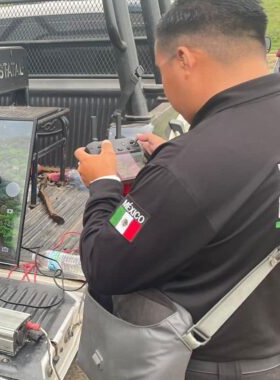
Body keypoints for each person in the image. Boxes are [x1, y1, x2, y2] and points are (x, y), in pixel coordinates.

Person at [74, 0, 280, 378]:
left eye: (162, 70)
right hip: (266, 345)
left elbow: (104, 263)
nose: (164, 86)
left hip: (201, 360)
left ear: (184, 58)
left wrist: (103, 184)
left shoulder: (189, 165)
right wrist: (173, 158)